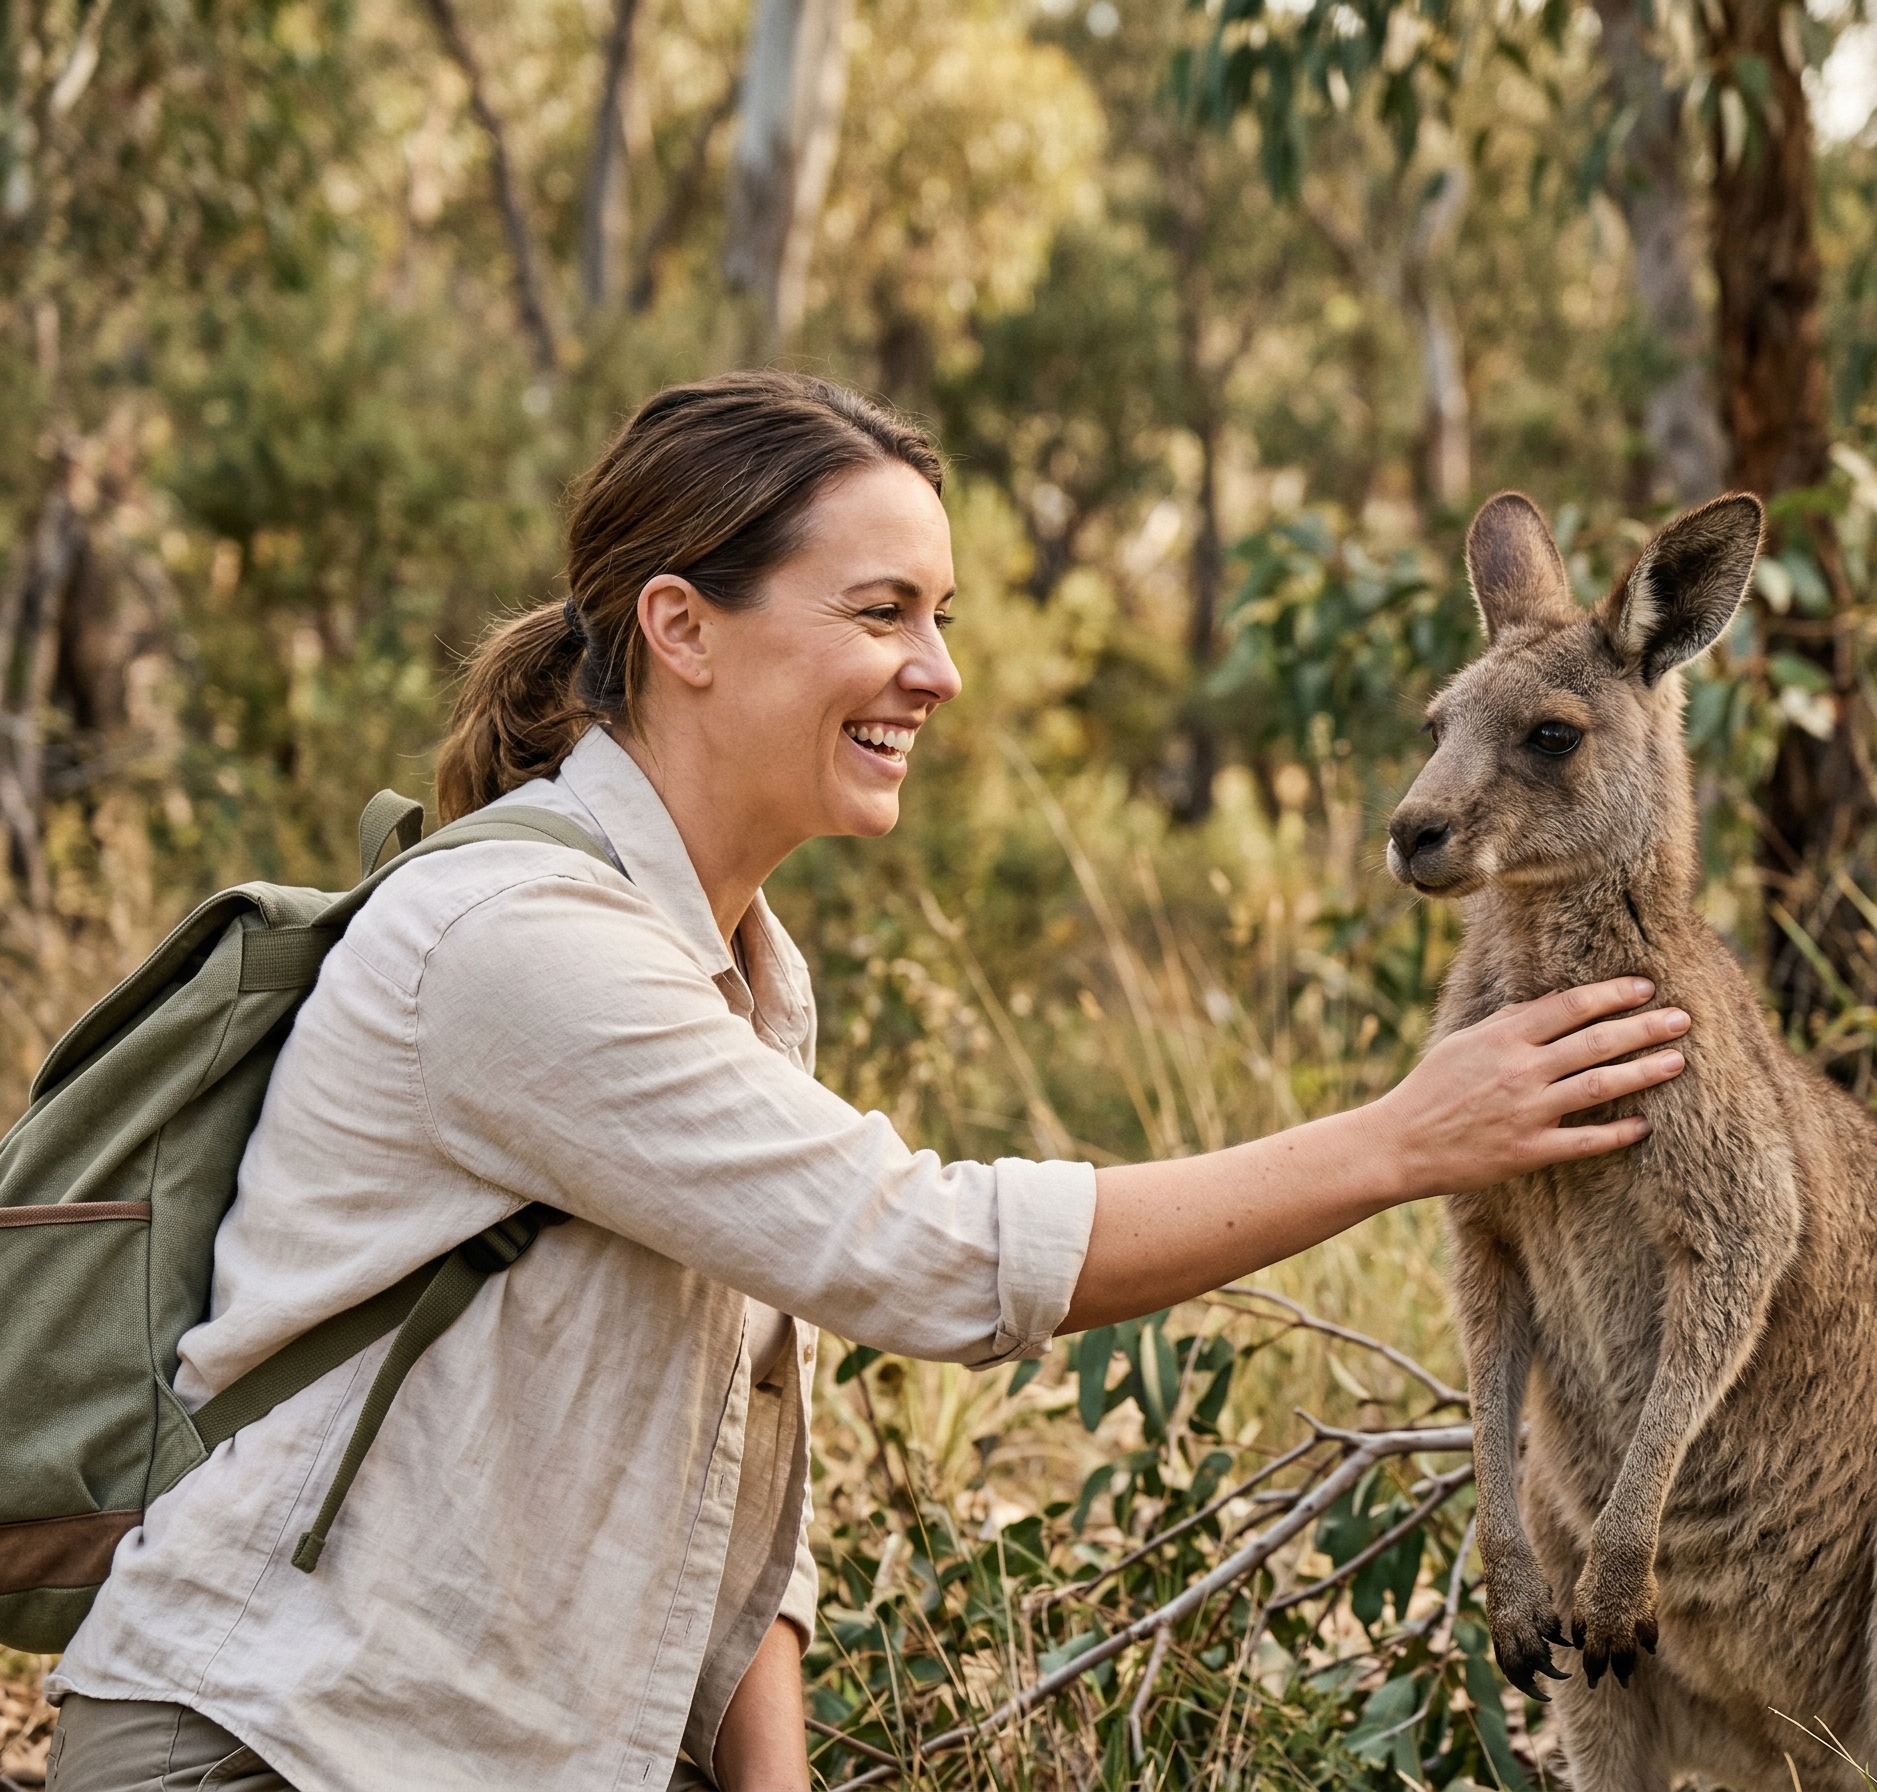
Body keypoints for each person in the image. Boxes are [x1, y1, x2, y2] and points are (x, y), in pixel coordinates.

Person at [45, 372, 1690, 1792]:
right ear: (679, 628)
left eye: (941, 619)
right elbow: (923, 1255)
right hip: (265, 1743)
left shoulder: (747, 966)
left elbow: (741, 1451)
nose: (939, 673)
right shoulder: (515, 942)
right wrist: (1406, 1139)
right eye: (880, 613)